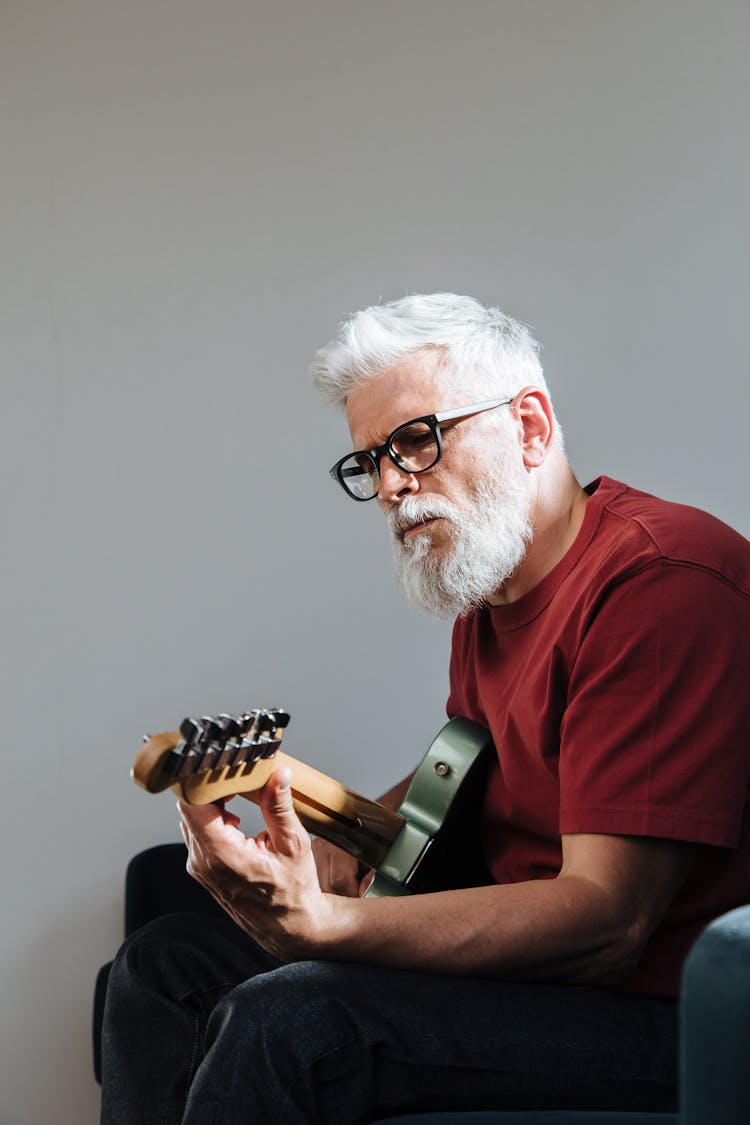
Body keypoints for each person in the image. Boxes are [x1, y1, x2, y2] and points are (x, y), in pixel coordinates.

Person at [100, 293, 750, 1124]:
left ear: (530, 424)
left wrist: (327, 925)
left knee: (294, 1023)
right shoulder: (490, 589)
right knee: (165, 964)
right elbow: (480, 768)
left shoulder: (660, 583)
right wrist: (343, 835)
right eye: (369, 461)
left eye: (416, 440)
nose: (392, 487)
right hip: (536, 983)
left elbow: (605, 920)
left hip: (664, 1016)